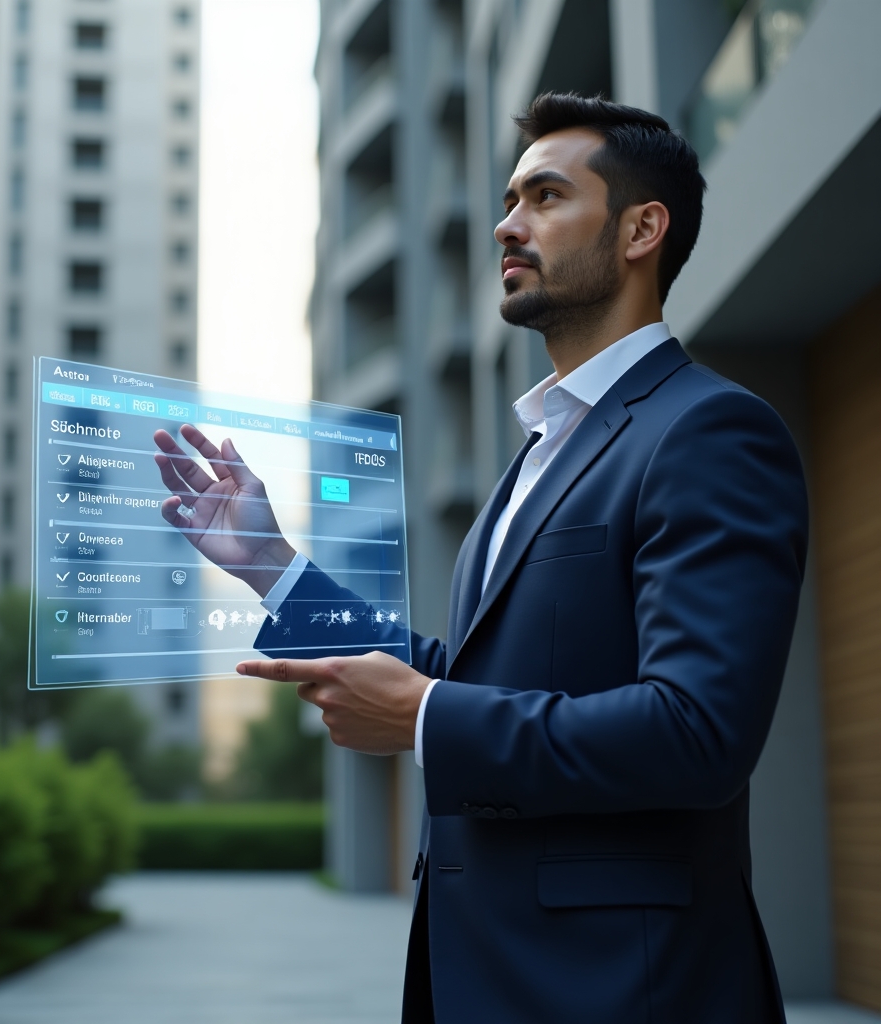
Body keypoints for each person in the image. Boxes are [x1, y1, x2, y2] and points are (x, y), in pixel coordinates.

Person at [153, 94, 807, 1023]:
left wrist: (426, 719)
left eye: (545, 196)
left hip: (622, 988)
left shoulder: (709, 430)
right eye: (509, 199)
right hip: (486, 974)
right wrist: (270, 563)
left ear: (641, 229)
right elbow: (473, 677)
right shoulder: (543, 451)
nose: (507, 224)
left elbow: (697, 732)